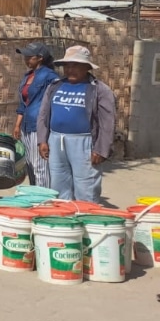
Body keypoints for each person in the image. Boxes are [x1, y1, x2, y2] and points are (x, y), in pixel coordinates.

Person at [36, 45, 115, 203]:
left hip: (84, 143)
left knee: (86, 188)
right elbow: (43, 114)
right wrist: (42, 140)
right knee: (58, 186)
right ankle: (64, 223)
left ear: (86, 67)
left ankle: (86, 221)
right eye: (67, 65)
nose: (70, 69)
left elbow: (108, 122)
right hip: (56, 141)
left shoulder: (99, 89)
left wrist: (101, 149)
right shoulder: (55, 86)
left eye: (75, 65)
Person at [13, 42, 60, 187]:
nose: (26, 59)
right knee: (30, 166)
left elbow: (56, 100)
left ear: (40, 58)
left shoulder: (50, 76)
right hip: (26, 126)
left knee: (40, 166)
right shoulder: (28, 76)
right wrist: (17, 124)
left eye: (29, 56)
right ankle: (35, 196)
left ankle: (44, 200)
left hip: (39, 126)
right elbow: (24, 103)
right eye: (25, 56)